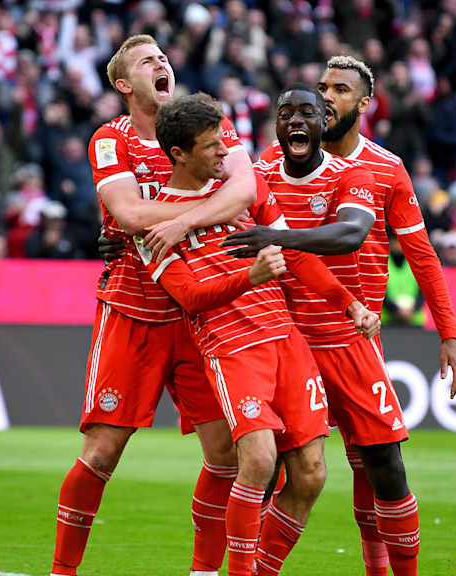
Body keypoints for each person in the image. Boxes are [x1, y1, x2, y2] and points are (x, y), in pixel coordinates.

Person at [224, 79, 456, 576]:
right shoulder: (262, 170)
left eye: (334, 94)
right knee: (271, 470)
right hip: (286, 342)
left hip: (351, 338)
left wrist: (450, 332)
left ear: (349, 109)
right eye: (290, 109)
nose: (322, 103)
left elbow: (377, 240)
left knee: (380, 468)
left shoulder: (368, 172)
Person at [143, 93, 379, 576]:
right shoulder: (155, 223)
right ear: (179, 155)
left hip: (286, 341)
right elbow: (188, 297)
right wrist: (247, 278)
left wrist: (347, 302)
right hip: (232, 349)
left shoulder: (247, 190)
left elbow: (293, 253)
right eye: (211, 147)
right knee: (259, 459)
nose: (224, 153)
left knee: (312, 474)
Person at [53, 34, 257, 576]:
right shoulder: (109, 139)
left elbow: (248, 191)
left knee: (227, 456)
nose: (162, 63)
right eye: (148, 62)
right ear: (124, 84)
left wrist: (186, 219)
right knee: (101, 454)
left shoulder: (207, 123)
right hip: (134, 307)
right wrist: (207, 207)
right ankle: (62, 572)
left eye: (164, 57)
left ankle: (204, 572)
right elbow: (125, 213)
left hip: (201, 311)